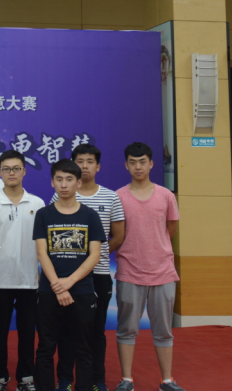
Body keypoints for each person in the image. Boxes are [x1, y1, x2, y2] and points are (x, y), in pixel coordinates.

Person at [52, 144, 125, 391]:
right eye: (80, 161)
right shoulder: (60, 195)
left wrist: (95, 257)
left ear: (98, 166)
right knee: (65, 330)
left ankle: (96, 380)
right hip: (65, 277)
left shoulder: (110, 197)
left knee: (95, 331)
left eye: (89, 161)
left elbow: (118, 236)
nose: (84, 166)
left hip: (99, 274)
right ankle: (64, 380)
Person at [113, 143, 183, 391]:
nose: (138, 167)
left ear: (151, 164)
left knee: (163, 331)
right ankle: (126, 380)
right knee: (127, 329)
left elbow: (170, 230)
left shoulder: (166, 196)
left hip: (163, 272)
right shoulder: (118, 196)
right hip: (129, 271)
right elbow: (116, 234)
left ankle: (167, 380)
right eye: (132, 162)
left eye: (142, 161)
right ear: (126, 165)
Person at [33, 159, 103, 391]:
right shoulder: (43, 214)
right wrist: (57, 286)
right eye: (59, 179)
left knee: (83, 348)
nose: (64, 184)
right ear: (52, 182)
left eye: (69, 179)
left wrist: (70, 282)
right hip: (49, 291)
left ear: (78, 183)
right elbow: (42, 253)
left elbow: (94, 255)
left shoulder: (90, 216)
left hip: (82, 291)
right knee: (45, 347)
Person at [0, 151, 43, 391]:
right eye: (6, 169)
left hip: (29, 280)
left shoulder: (37, 203)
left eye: (16, 168)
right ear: (0, 172)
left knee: (27, 334)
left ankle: (26, 378)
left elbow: (43, 246)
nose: (11, 173)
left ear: (24, 171)